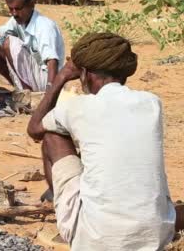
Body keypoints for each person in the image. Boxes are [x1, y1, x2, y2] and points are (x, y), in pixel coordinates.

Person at [27, 32, 175, 250]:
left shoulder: (77, 107)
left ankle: (63, 205)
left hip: (96, 240)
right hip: (156, 235)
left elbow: (35, 128)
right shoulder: (152, 103)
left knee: (52, 136)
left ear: (84, 74)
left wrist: (61, 76)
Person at [0, 0, 64, 92]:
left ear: (31, 4)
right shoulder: (18, 20)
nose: (14, 14)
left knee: (9, 43)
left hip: (49, 81)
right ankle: (21, 89)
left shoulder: (44, 26)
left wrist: (50, 92)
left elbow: (52, 61)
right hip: (35, 76)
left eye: (18, 9)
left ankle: (27, 92)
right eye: (11, 9)